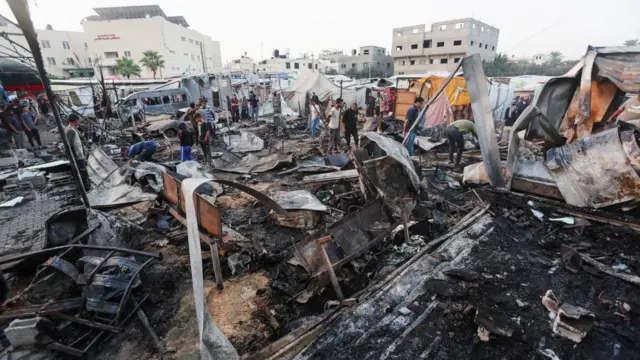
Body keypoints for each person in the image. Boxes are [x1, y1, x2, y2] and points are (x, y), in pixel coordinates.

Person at [65, 114, 91, 190]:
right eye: (78, 120)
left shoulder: (70, 129)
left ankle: (83, 188)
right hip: (77, 156)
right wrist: (75, 157)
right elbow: (70, 146)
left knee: (81, 173)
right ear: (75, 121)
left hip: (77, 155)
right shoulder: (71, 131)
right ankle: (86, 190)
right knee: (83, 174)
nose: (79, 122)